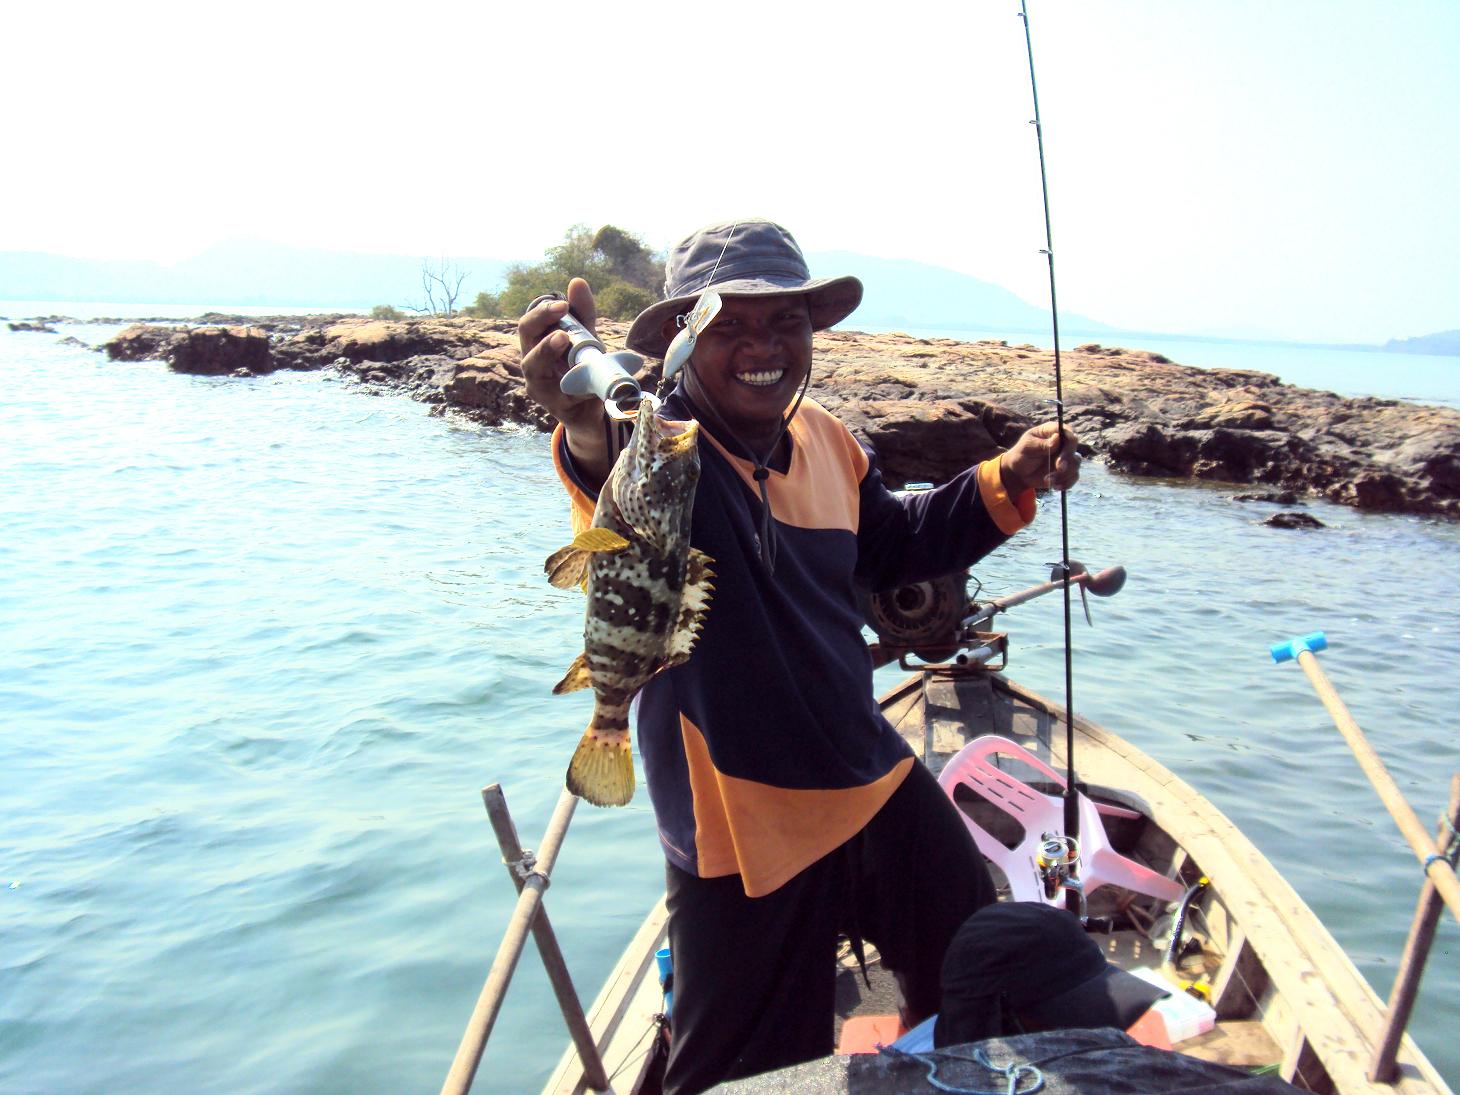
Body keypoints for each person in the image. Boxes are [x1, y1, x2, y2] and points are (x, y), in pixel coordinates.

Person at [518, 220, 1080, 1094]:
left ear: (811, 333)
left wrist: (1011, 475)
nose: (762, 347)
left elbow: (898, 542)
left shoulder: (829, 441)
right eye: (731, 325)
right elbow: (607, 466)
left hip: (866, 772)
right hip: (739, 816)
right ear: (681, 339)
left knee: (982, 955)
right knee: (743, 1071)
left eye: (784, 322)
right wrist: (583, 423)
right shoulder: (660, 440)